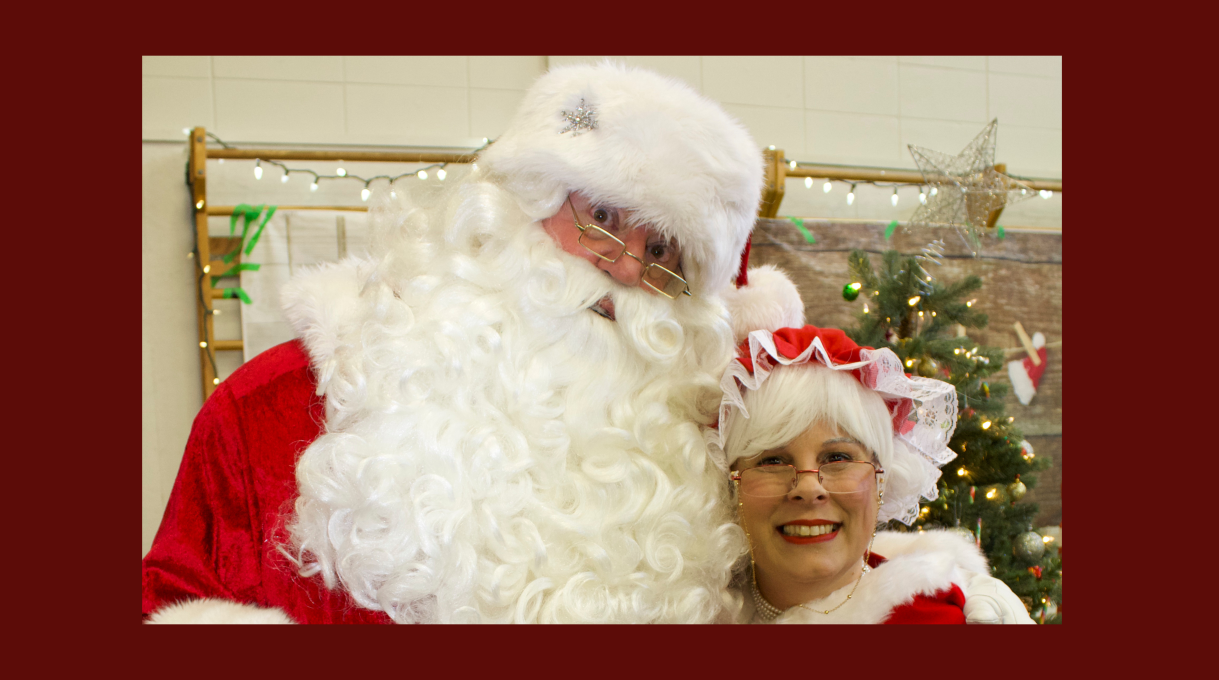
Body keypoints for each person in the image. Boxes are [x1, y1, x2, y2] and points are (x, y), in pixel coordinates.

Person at [143, 61, 765, 623]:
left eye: (659, 250)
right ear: (521, 201)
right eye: (601, 216)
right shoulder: (267, 412)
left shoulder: (716, 461)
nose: (624, 266)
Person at [712, 269, 1033, 623]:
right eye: (772, 460)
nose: (808, 487)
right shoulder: (686, 607)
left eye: (837, 457)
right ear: (733, 482)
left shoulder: (931, 620)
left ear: (881, 480)